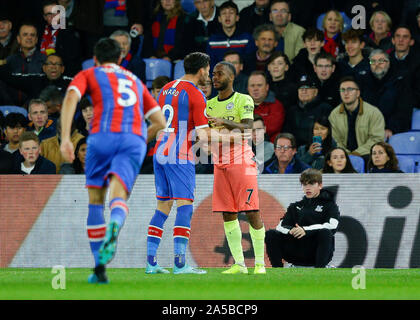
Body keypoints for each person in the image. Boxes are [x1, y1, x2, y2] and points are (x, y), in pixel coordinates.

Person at [59, 38, 166, 284]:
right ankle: (116, 223)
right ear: (120, 59)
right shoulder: (134, 80)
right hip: (133, 140)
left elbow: (70, 99)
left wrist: (65, 138)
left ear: (95, 59)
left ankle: (99, 267)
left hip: (101, 137)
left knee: (96, 201)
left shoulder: (90, 73)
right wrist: (140, 138)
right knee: (118, 195)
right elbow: (160, 122)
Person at [146, 52, 212, 275]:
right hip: (179, 153)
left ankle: (151, 263)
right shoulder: (196, 94)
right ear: (202, 70)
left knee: (163, 206)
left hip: (160, 150)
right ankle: (180, 264)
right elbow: (204, 136)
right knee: (185, 205)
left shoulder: (166, 88)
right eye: (208, 70)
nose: (209, 74)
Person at [206, 61, 266, 275]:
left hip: (242, 161)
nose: (215, 77)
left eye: (219, 74)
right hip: (219, 163)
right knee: (228, 213)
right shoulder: (209, 104)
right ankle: (239, 264)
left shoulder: (243, 99)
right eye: (213, 74)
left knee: (251, 210)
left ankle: (260, 263)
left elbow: (248, 127)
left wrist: (223, 121)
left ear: (231, 77)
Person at [265, 168, 340, 268]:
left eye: (311, 184)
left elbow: (332, 226)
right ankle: (278, 270)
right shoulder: (295, 206)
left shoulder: (330, 206)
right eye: (304, 184)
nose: (307, 188)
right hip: (296, 251)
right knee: (271, 234)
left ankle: (320, 270)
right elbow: (280, 226)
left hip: (315, 252)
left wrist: (305, 230)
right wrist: (291, 230)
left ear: (320, 185)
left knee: (325, 232)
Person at [328, 76, 385, 163]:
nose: (345, 93)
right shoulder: (334, 114)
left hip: (366, 154)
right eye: (342, 90)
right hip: (342, 156)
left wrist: (357, 153)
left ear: (358, 93)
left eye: (350, 89)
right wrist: (345, 154)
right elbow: (335, 140)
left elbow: (376, 139)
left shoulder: (373, 112)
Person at [359, 49, 414, 138]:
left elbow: (403, 110)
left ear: (388, 63)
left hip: (394, 132)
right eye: (373, 61)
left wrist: (391, 128)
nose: (377, 64)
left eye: (381, 61)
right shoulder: (363, 82)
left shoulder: (400, 81)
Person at [283, 74, 333, 148]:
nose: (304, 91)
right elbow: (287, 134)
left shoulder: (325, 109)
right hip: (295, 151)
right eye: (301, 88)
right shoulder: (292, 111)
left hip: (318, 149)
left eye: (307, 88)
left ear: (315, 92)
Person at [0, 53, 73, 102]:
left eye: (57, 64)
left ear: (62, 69)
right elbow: (11, 78)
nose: (53, 67)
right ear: (44, 68)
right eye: (50, 64)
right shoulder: (35, 80)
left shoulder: (72, 83)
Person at [206, 1, 255, 70]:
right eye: (224, 13)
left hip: (242, 78)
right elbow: (210, 66)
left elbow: (250, 64)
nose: (227, 16)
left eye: (231, 13)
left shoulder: (247, 38)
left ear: (237, 18)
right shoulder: (212, 40)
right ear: (219, 19)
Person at [40, 0, 82, 77]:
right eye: (49, 14)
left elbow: (72, 60)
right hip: (42, 74)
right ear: (45, 17)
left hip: (63, 75)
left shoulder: (71, 32)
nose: (53, 17)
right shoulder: (40, 32)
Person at [247, 70, 285, 143]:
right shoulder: (240, 105)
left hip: (270, 147)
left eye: (259, 85)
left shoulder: (276, 106)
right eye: (252, 85)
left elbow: (270, 129)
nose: (255, 89)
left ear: (267, 87)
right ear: (248, 88)